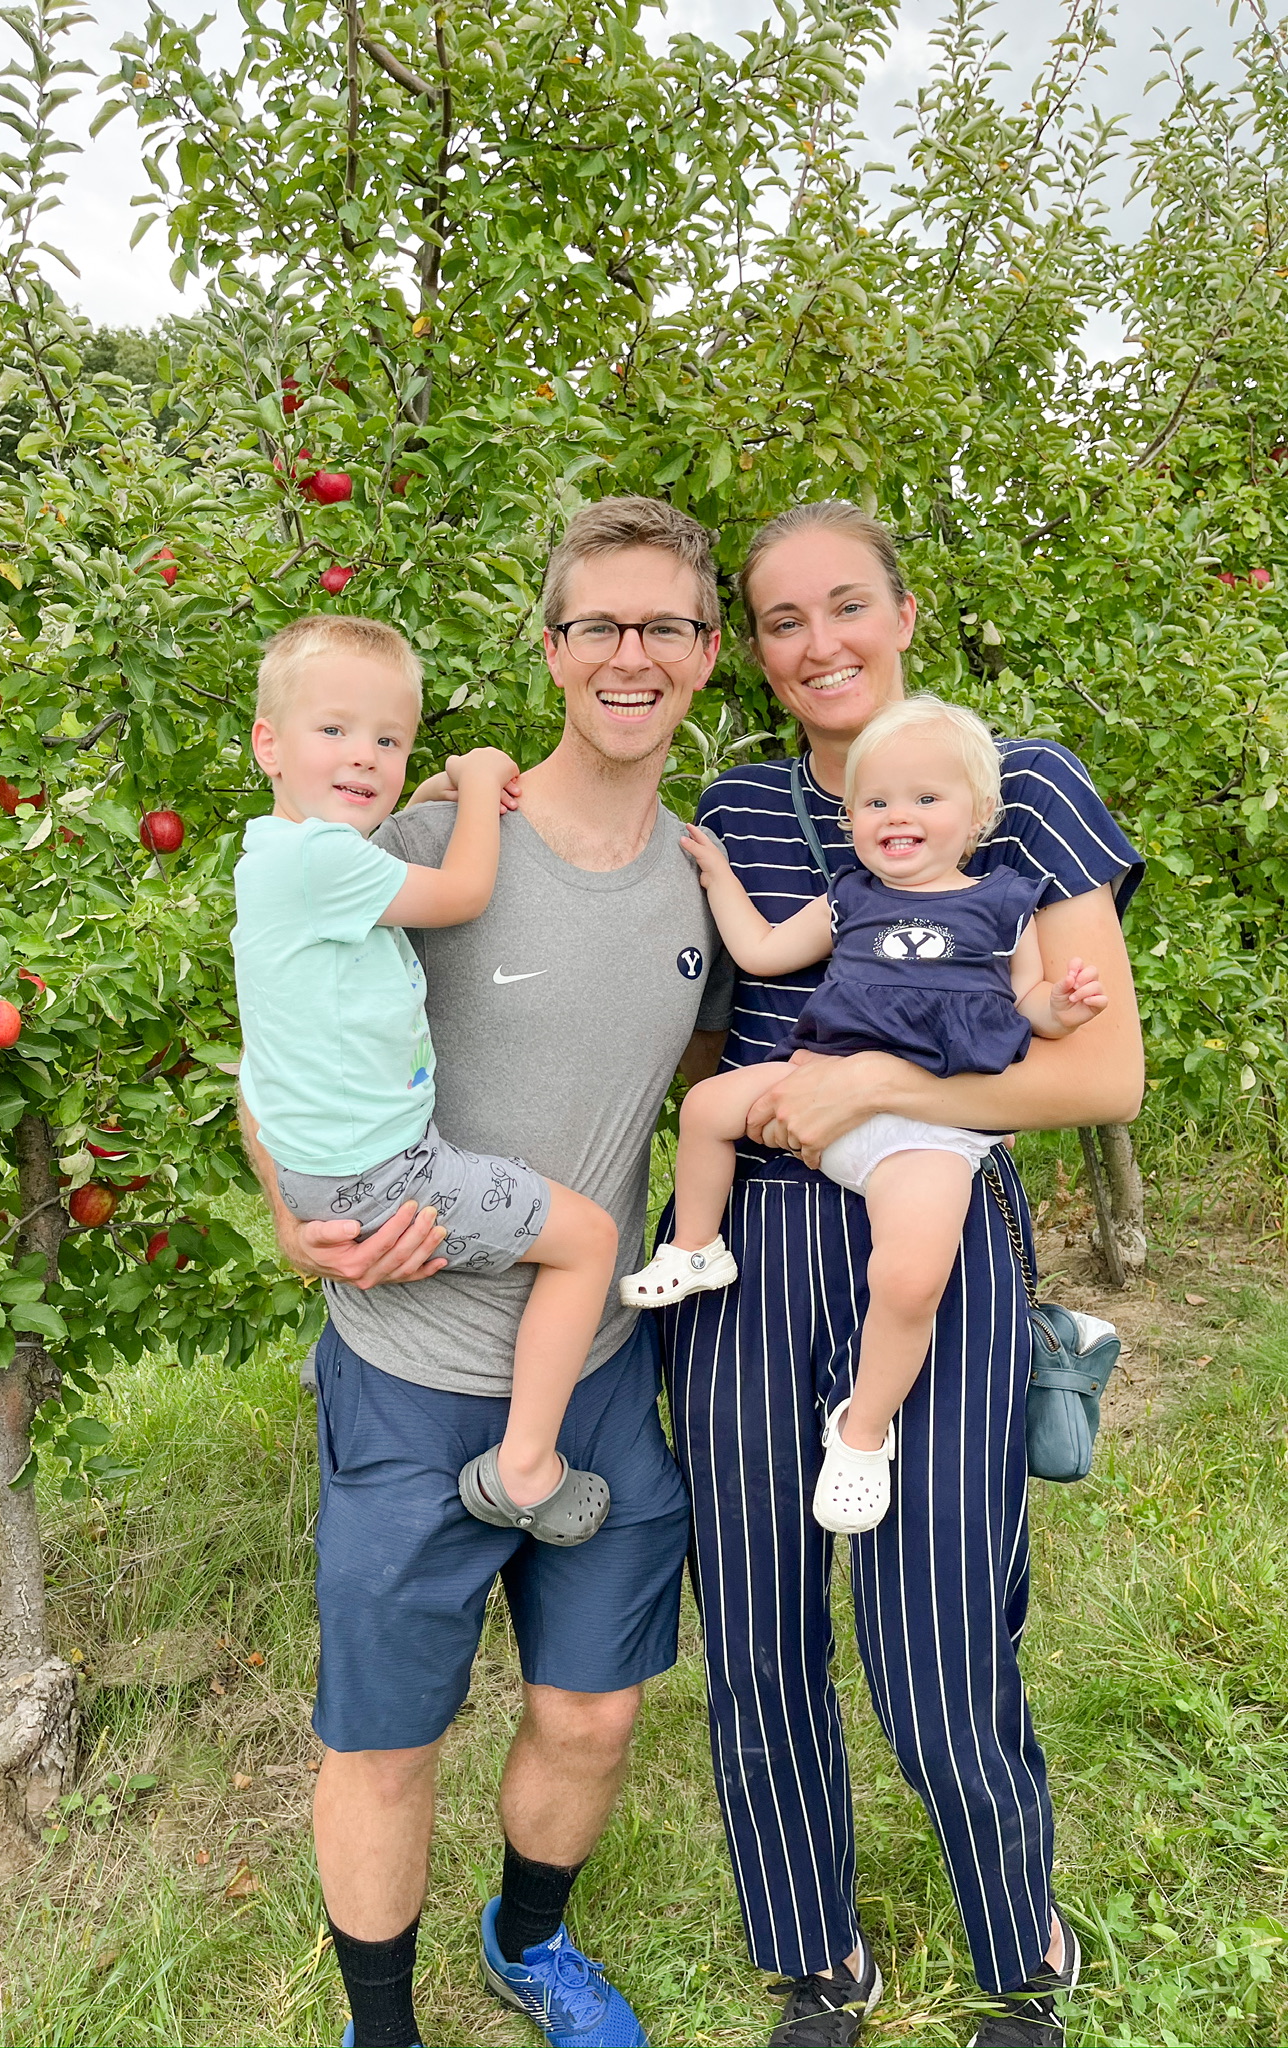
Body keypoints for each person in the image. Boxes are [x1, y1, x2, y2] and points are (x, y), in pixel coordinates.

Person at [237, 498, 724, 2048]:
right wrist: (280, 1211)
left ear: (709, 655)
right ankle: (382, 2027)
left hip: (592, 1377)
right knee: (385, 1740)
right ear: (553, 646)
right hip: (406, 1370)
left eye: (666, 626)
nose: (630, 655)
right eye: (600, 625)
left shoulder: (705, 886)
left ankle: (531, 1944)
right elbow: (276, 1051)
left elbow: (709, 1080)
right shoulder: (438, 835)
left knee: (592, 1711)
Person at [665, 500, 1143, 2048]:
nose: (821, 645)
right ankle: (818, 1956)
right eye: (784, 621)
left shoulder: (1020, 790)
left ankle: (1024, 1943)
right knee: (757, 1627)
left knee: (939, 1625)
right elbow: (704, 1027)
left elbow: (1099, 1076)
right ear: (754, 647)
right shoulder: (740, 805)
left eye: (847, 606)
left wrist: (877, 1093)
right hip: (751, 1254)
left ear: (905, 611)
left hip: (922, 1227)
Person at [623, 695, 1108, 1533]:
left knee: (911, 1279)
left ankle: (862, 1430)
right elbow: (762, 952)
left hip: (931, 1124)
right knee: (707, 1107)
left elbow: (1029, 1009)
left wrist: (1065, 1007)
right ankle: (697, 1248)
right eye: (877, 801)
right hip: (821, 1082)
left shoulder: (1004, 905)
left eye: (926, 799)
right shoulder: (849, 898)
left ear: (979, 814)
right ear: (850, 819)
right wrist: (720, 877)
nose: (900, 817)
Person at [232, 613, 619, 1546]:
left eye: (390, 740)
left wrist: (443, 782)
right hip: (386, 1175)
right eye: (335, 731)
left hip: (327, 1166)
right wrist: (482, 782)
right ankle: (525, 1466)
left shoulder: (271, 859)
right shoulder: (329, 860)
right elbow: (462, 895)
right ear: (268, 745)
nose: (364, 756)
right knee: (590, 1241)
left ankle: (346, 1368)